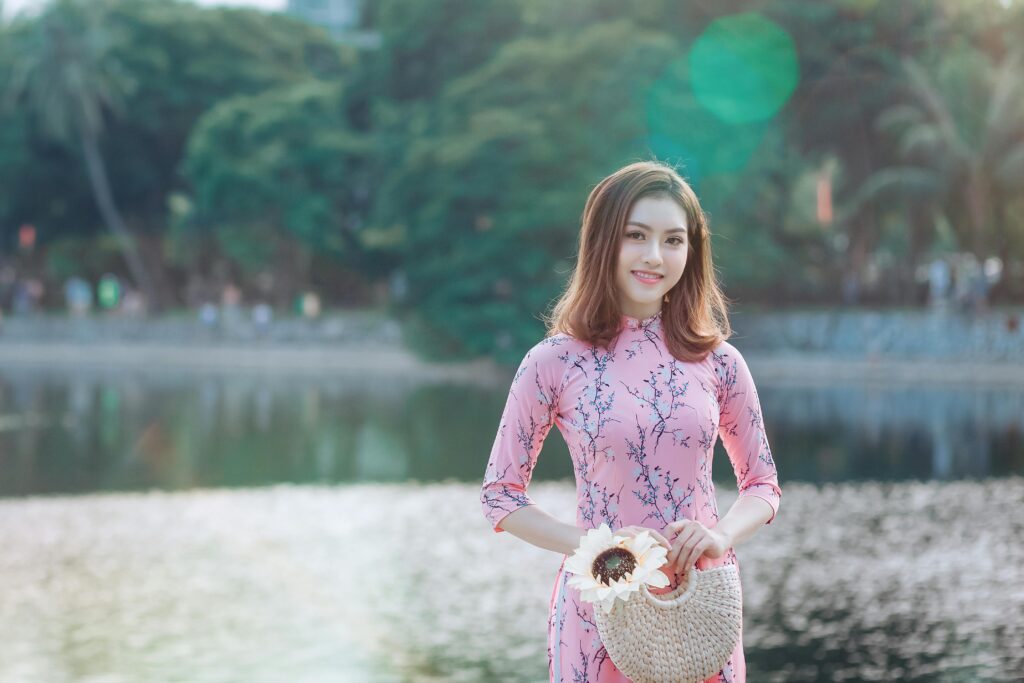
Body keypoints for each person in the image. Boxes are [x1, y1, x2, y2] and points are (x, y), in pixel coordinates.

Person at [479, 160, 782, 682]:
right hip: (600, 613)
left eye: (673, 240)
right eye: (636, 236)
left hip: (701, 609)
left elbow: (763, 485)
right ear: (603, 242)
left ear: (692, 250)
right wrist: (599, 547)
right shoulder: (555, 362)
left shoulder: (720, 362)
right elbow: (500, 496)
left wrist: (720, 535)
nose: (654, 257)